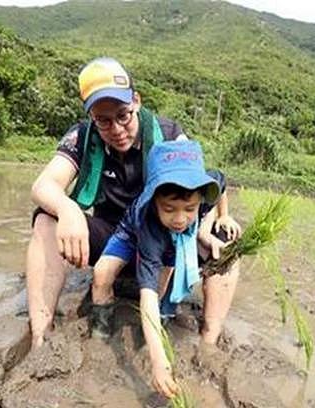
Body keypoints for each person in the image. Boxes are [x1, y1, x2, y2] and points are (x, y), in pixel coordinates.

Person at [26, 57, 188, 349]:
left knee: (221, 237)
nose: (115, 128)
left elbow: (195, 189)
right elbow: (43, 186)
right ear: (91, 117)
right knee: (45, 218)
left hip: (158, 240)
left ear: (136, 101)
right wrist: (68, 208)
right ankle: (40, 334)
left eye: (123, 115)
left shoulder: (169, 135)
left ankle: (210, 338)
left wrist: (216, 221)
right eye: (103, 120)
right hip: (109, 240)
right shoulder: (82, 136)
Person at [94, 140, 241, 398]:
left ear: (199, 199)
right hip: (130, 232)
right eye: (169, 209)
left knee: (165, 281)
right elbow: (147, 297)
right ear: (154, 201)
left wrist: (223, 216)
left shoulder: (204, 188)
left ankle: (171, 323)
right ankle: (99, 330)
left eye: (190, 209)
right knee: (103, 274)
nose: (180, 218)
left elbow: (221, 183)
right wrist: (158, 360)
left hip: (171, 239)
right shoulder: (150, 227)